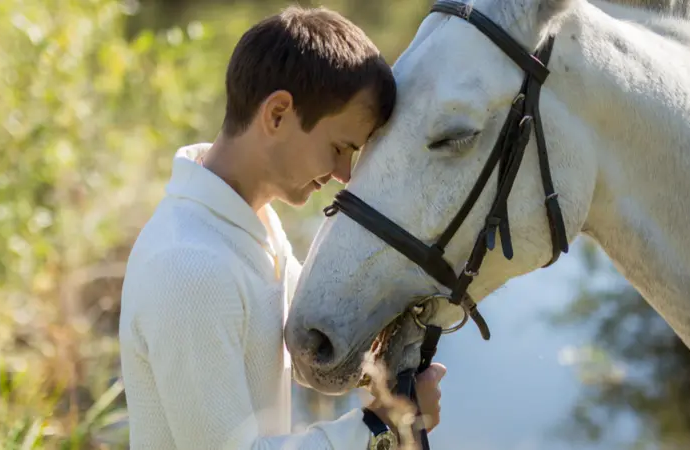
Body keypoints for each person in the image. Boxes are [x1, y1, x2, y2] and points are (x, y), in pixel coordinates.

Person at [118, 5, 446, 450]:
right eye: (338, 147)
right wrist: (381, 425)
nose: (344, 173)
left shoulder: (253, 224)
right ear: (277, 114)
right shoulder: (187, 268)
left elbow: (316, 339)